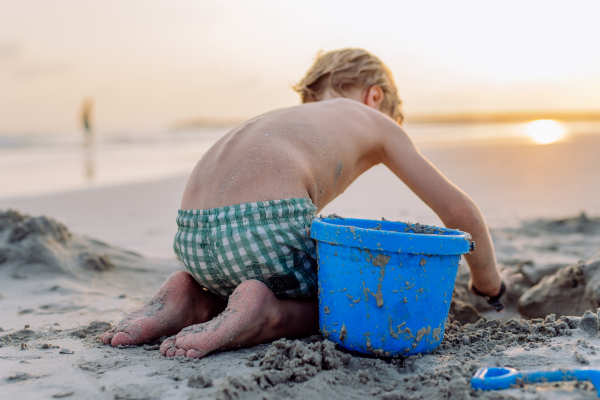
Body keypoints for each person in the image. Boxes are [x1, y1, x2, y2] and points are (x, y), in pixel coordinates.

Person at [101, 48, 504, 358]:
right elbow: (459, 213)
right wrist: (490, 286)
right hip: (261, 227)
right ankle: (268, 315)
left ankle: (194, 297)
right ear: (375, 97)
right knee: (351, 297)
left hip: (191, 237)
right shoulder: (375, 121)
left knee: (264, 267)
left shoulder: (286, 120)